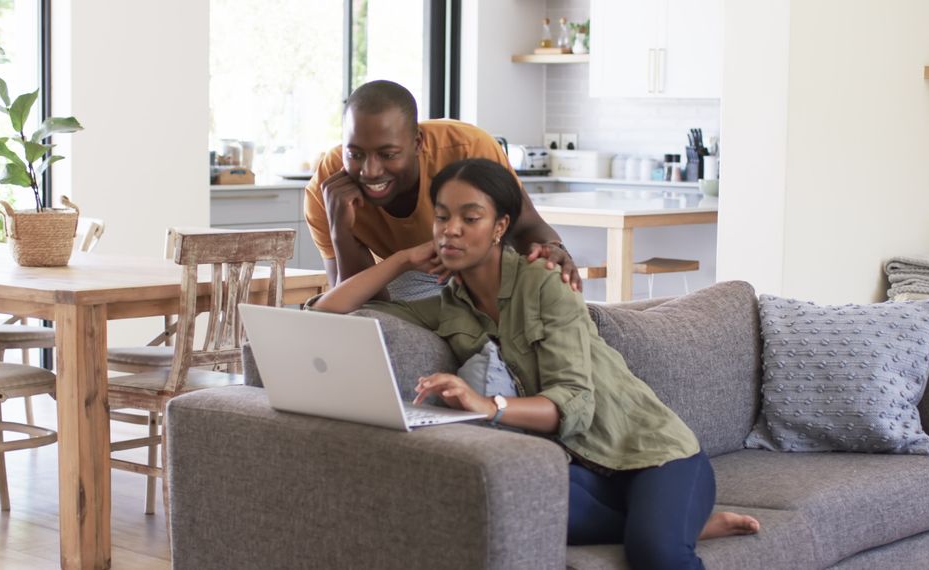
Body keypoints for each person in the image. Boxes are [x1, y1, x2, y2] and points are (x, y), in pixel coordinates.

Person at [312, 158, 758, 569]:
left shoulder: (546, 283)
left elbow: (575, 403)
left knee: (654, 553)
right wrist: (401, 260)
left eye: (470, 218)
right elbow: (327, 313)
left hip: (653, 453)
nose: (451, 230)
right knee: (502, 505)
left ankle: (664, 528)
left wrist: (489, 406)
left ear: (500, 226)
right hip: (584, 466)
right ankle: (676, 523)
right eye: (443, 216)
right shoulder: (449, 305)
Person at [304, 79, 579, 300]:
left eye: (388, 154)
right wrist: (341, 232)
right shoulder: (327, 189)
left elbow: (525, 226)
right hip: (403, 281)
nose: (370, 171)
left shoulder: (469, 149)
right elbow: (355, 304)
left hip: (480, 272)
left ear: (417, 143)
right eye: (355, 154)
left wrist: (553, 249)